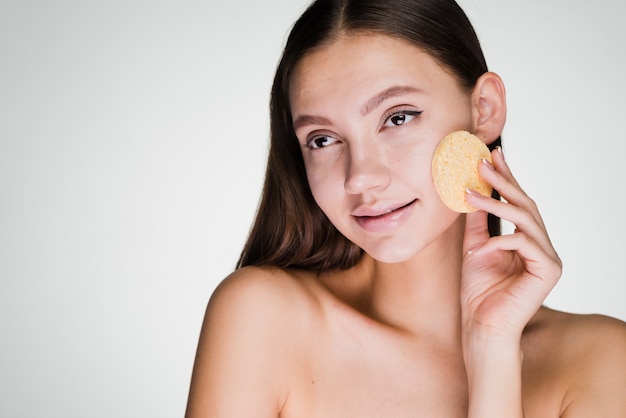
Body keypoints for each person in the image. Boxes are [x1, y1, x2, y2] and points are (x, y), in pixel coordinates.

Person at [185, 0, 626, 416]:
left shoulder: (602, 361)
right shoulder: (261, 320)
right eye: (323, 139)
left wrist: (493, 351)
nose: (360, 176)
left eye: (397, 117)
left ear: (484, 110)